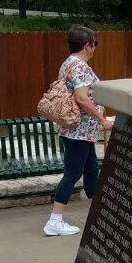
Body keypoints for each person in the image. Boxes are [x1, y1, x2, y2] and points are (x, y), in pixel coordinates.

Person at [44, 25, 108, 237]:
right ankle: (54, 221)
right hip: (78, 131)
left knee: (91, 172)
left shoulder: (68, 64)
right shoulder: (80, 67)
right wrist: (103, 120)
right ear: (87, 45)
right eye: (94, 44)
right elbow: (81, 98)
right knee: (72, 173)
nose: (95, 48)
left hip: (80, 132)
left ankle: (101, 217)